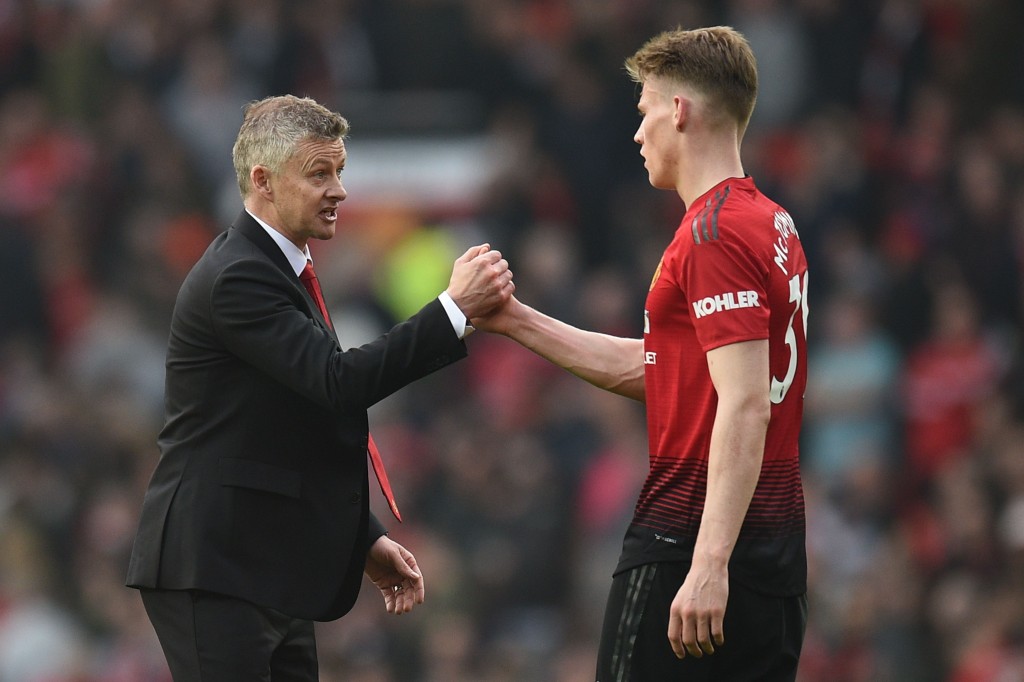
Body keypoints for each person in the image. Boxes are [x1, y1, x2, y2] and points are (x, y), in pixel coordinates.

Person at [125, 94, 514, 680]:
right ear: (263, 181)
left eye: (339, 171)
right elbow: (336, 384)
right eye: (319, 173)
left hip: (263, 563)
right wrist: (452, 310)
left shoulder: (279, 270)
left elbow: (290, 428)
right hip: (214, 566)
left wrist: (362, 539)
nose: (339, 190)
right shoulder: (240, 278)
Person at [476, 27, 809, 680]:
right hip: (773, 560)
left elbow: (745, 404)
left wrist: (707, 563)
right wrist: (515, 320)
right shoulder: (773, 224)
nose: (637, 133)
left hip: (689, 549)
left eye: (644, 110)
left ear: (680, 110)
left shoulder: (712, 234)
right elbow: (671, 374)